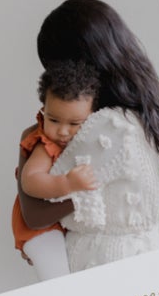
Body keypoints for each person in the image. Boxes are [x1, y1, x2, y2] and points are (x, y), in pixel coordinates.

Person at [27, 0, 159, 273]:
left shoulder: (109, 126)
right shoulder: (147, 116)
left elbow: (38, 208)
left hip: (108, 260)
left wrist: (31, 149)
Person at [12, 61, 101, 280]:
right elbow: (30, 180)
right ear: (43, 110)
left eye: (75, 123)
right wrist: (67, 184)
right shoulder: (45, 144)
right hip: (40, 231)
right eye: (53, 120)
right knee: (58, 278)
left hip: (63, 226)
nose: (62, 131)